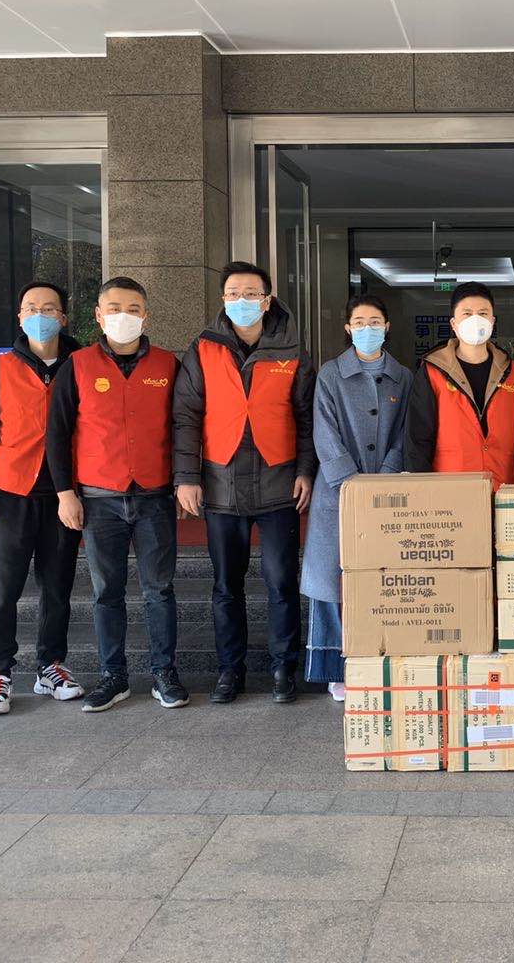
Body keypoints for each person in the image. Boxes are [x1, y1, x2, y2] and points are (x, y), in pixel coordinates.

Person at [173, 261, 317, 706]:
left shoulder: (291, 349)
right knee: (225, 586)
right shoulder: (203, 348)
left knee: (281, 582)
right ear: (223, 299)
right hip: (222, 483)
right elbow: (186, 415)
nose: (242, 301)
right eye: (233, 293)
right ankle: (229, 670)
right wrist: (186, 477)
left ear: (267, 300)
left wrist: (306, 471)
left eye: (251, 293)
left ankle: (283, 667)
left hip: (279, 482)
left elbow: (307, 418)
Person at [47, 276, 188, 713]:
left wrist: (184, 481)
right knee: (106, 592)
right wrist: (65, 493)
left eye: (132, 309)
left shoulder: (168, 365)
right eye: (113, 308)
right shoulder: (77, 365)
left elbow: (183, 427)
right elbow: (57, 433)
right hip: (98, 497)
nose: (122, 316)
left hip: (154, 495)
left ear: (145, 316)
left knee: (159, 590)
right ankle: (114, 676)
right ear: (98, 315)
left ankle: (164, 673)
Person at [0, 282, 83, 716]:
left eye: (49, 308)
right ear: (20, 316)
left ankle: (51, 665)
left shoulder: (81, 364)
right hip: (8, 493)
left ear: (63, 317)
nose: (40, 315)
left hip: (64, 495)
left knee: (58, 587)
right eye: (31, 308)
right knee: (2, 589)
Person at [301, 295, 412, 700]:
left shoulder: (404, 377)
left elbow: (405, 434)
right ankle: (335, 667)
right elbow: (324, 431)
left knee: (384, 580)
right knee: (333, 580)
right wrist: (350, 482)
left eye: (375, 321)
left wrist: (384, 479)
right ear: (348, 328)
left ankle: (379, 661)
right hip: (337, 494)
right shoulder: (331, 374)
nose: (368, 328)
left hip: (386, 495)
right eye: (360, 322)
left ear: (387, 327)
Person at [405, 281, 514, 488]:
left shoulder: (513, 372)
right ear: (453, 324)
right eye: (467, 314)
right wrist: (423, 492)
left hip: (505, 489)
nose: (475, 320)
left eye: (483, 313)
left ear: (492, 321)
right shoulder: (432, 371)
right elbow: (417, 441)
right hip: (450, 491)